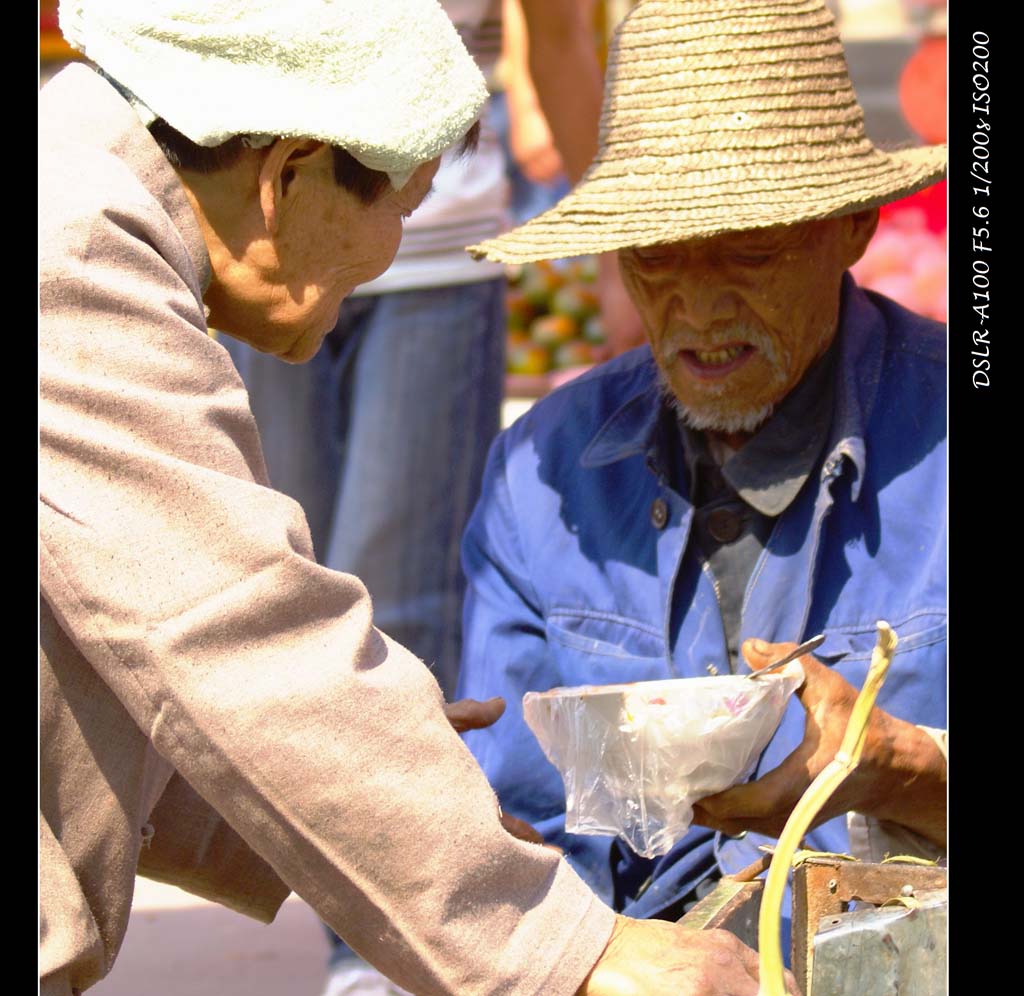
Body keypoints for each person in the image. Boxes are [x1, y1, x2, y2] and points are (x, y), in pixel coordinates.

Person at [39, 2, 786, 995]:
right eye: (404, 203)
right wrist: (566, 946)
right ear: (289, 176)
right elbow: (241, 637)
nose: (397, 245)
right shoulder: (78, 258)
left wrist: (413, 807)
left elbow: (114, 662)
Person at [458, 0, 947, 947]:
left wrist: (906, 769)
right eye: (657, 257)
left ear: (852, 226)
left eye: (749, 252)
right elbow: (513, 829)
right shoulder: (542, 474)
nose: (699, 308)